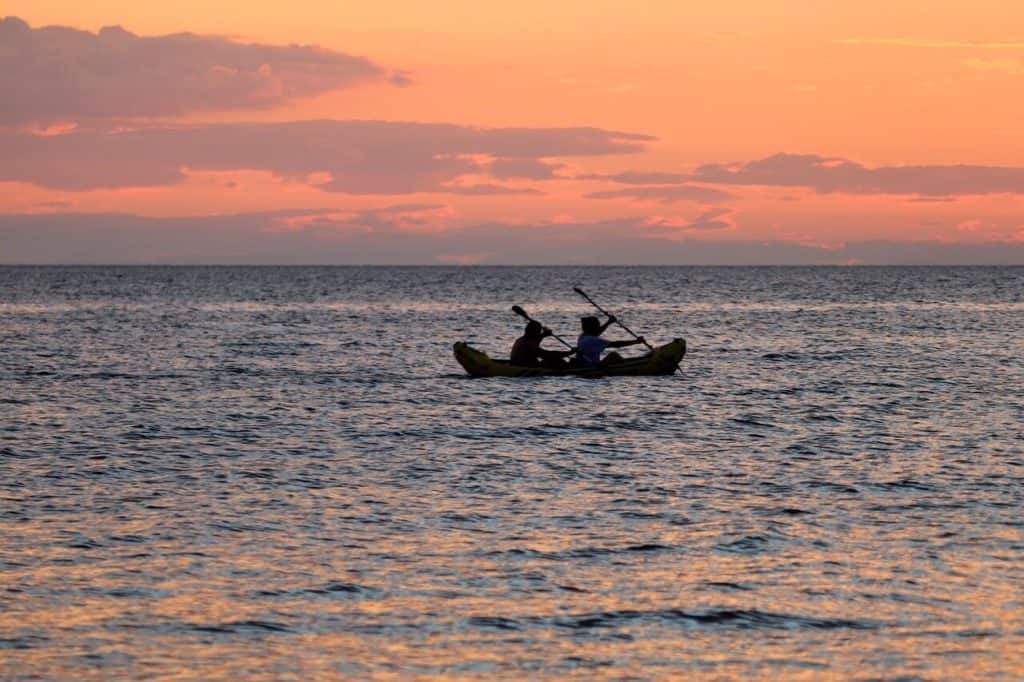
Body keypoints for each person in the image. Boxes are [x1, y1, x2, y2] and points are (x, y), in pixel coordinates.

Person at [576, 315, 645, 366]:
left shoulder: (582, 337)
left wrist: (609, 322)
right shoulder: (593, 340)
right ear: (593, 328)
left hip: (585, 364)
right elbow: (616, 344)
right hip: (593, 366)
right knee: (613, 355)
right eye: (598, 326)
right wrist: (636, 342)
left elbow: (597, 332)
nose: (599, 327)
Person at [510, 320, 575, 368]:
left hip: (517, 363)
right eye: (538, 332)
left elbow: (535, 339)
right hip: (526, 366)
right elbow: (547, 355)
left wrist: (544, 335)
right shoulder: (529, 344)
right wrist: (569, 353)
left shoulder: (521, 339)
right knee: (557, 361)